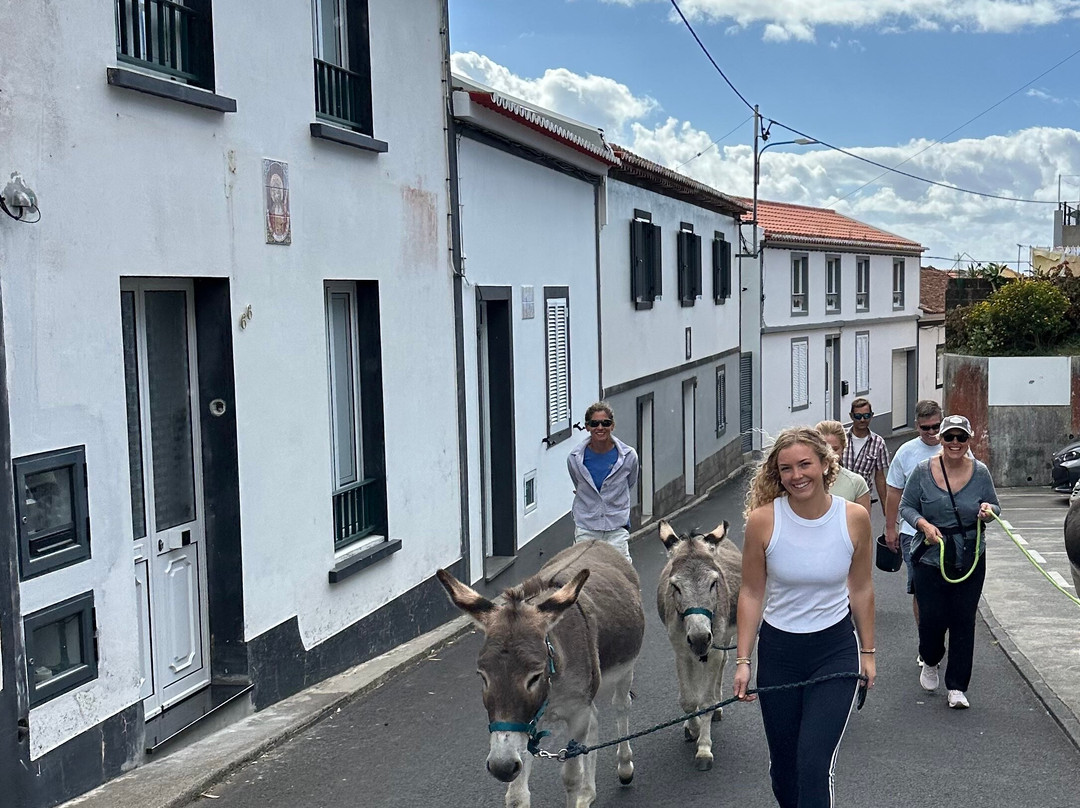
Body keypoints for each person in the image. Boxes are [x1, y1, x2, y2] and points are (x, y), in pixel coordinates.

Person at [733, 427, 875, 808]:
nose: (797, 476)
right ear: (776, 475)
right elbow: (750, 592)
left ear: (826, 464)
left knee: (813, 764)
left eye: (805, 464)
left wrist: (869, 652)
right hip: (780, 652)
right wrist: (743, 661)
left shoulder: (854, 518)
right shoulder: (763, 521)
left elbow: (861, 588)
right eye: (786, 469)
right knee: (785, 766)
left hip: (835, 652)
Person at [900, 414, 999, 709]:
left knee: (963, 620)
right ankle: (930, 658)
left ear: (969, 440)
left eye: (961, 437)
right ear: (940, 440)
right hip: (931, 556)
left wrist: (987, 510)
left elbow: (995, 505)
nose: (955, 443)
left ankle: (957, 686)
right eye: (949, 437)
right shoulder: (922, 471)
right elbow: (907, 506)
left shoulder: (980, 472)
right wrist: (923, 526)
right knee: (932, 618)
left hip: (969, 556)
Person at [885, 399, 944, 631]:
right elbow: (893, 492)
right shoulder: (906, 452)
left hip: (950, 531)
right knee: (921, 590)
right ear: (916, 426)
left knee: (947, 589)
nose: (931, 432)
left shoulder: (956, 446)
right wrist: (891, 528)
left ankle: (940, 633)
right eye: (925, 427)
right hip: (913, 534)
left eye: (936, 426)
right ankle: (926, 642)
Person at [567, 402, 639, 562]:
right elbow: (578, 484)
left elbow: (630, 483)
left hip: (616, 527)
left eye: (605, 423)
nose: (600, 427)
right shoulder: (575, 458)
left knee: (621, 574)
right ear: (587, 427)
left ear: (612, 426)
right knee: (582, 573)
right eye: (595, 423)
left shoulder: (628, 456)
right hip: (587, 527)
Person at [843, 398, 890, 521]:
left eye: (866, 416)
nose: (862, 420)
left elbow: (879, 477)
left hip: (862, 498)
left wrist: (886, 508)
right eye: (858, 416)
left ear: (872, 415)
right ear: (851, 416)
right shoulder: (841, 438)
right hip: (839, 496)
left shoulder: (878, 443)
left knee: (860, 534)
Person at [816, 420, 872, 517]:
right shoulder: (804, 481)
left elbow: (863, 527)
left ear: (843, 448)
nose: (830, 454)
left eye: (835, 449)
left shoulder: (856, 483)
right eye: (824, 448)